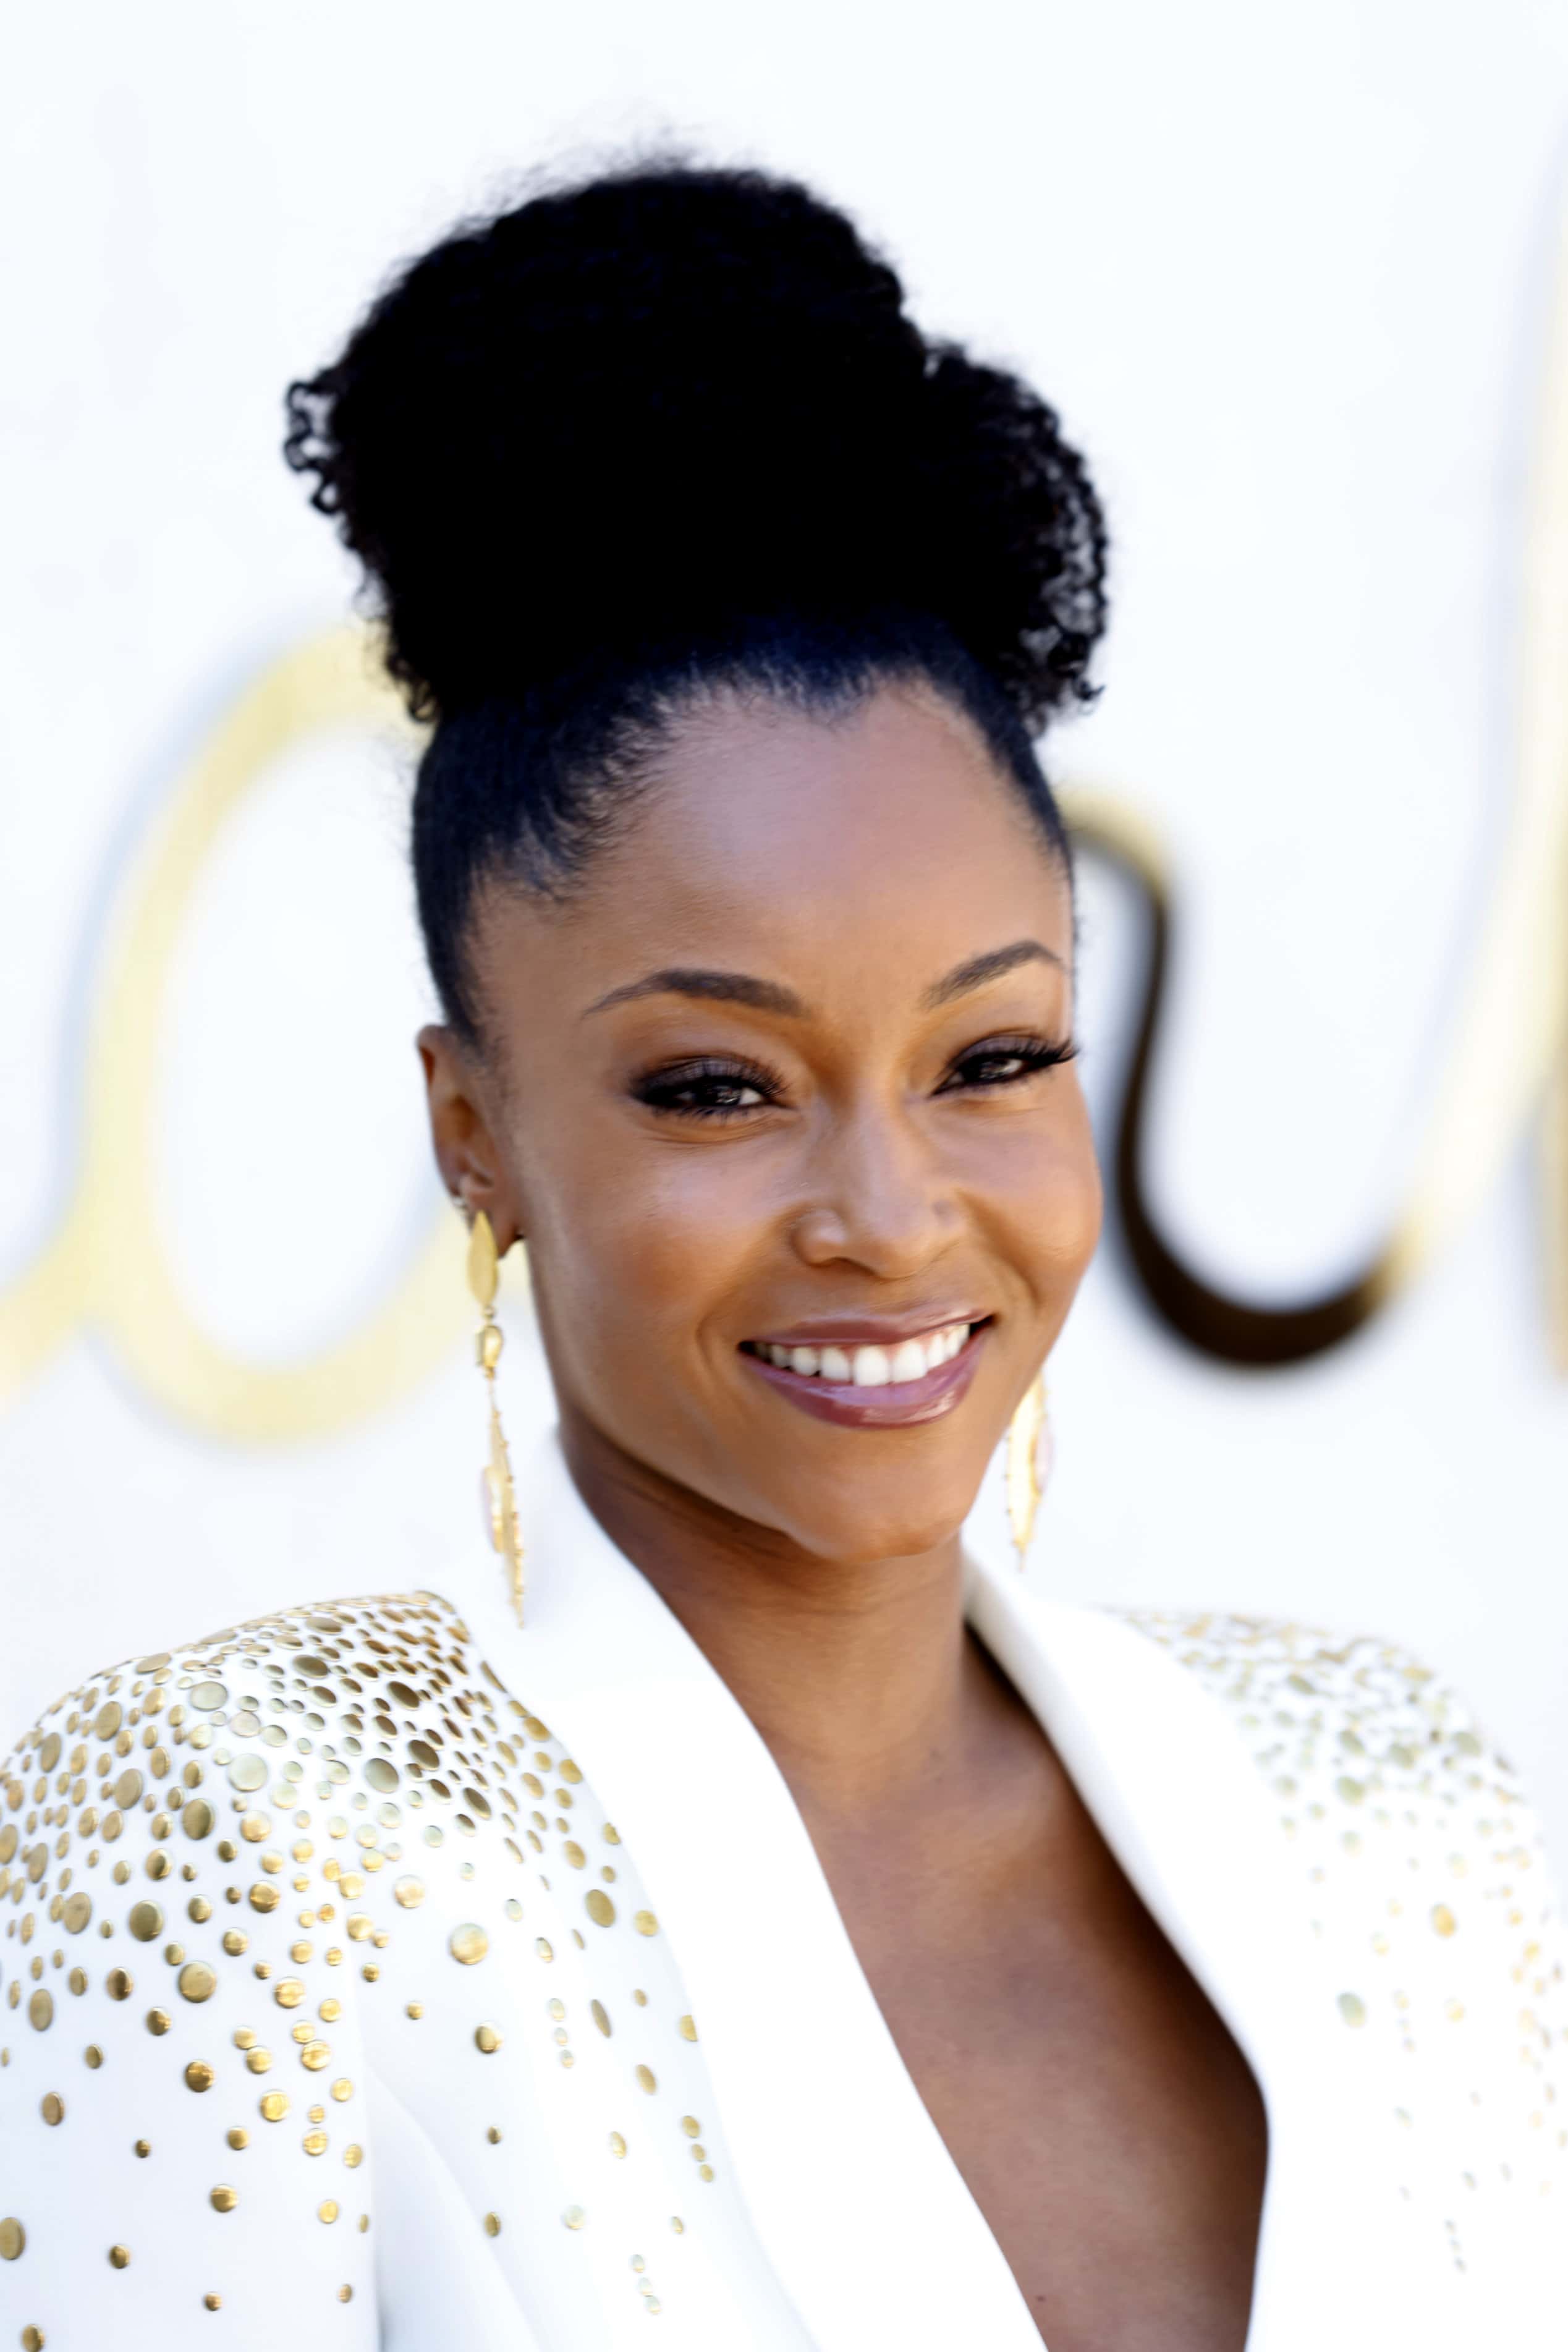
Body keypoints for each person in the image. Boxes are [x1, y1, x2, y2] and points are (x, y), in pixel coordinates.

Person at [1, 153, 1561, 2352]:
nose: (890, 1212)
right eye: (716, 1088)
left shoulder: (1386, 1808)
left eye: (990, 1055)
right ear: (477, 1132)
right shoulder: (249, 1858)